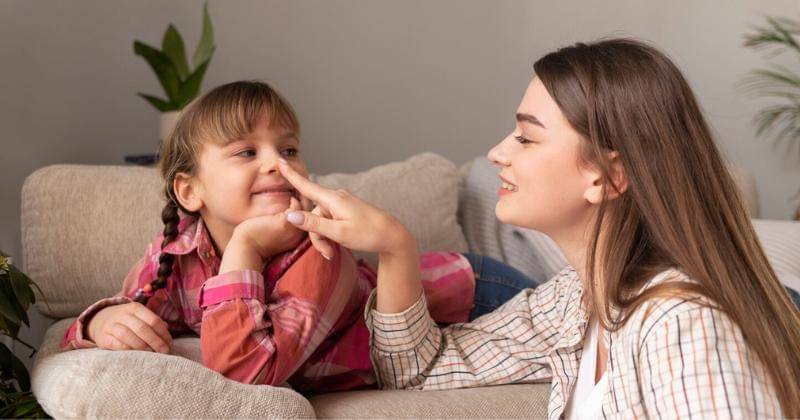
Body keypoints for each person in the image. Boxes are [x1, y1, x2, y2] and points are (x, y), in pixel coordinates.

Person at [277, 39, 800, 418]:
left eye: (526, 138)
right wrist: (395, 247)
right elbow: (418, 372)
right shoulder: (575, 302)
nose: (497, 153)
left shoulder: (684, 324)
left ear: (607, 176)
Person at [59, 81, 536, 392]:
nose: (277, 163)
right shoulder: (175, 253)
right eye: (246, 152)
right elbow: (118, 318)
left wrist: (245, 247)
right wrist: (100, 322)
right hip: (453, 301)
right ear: (189, 190)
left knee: (576, 321)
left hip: (471, 294)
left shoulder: (319, 249)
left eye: (288, 149)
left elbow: (247, 371)